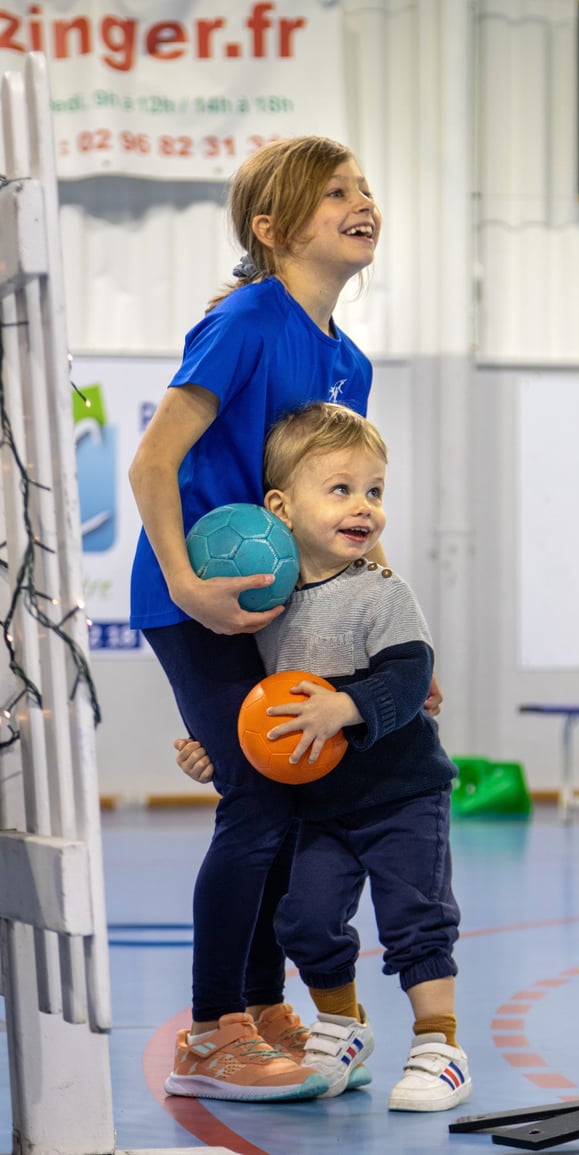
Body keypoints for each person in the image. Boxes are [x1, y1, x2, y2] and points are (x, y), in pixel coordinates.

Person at [129, 136, 387, 1103]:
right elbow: (152, 463)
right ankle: (209, 1034)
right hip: (192, 596)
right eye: (334, 194)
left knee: (292, 785)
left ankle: (261, 1004)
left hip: (280, 609)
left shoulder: (348, 362)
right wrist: (190, 582)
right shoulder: (243, 320)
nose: (361, 203)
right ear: (272, 229)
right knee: (260, 799)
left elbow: (334, 513)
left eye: (364, 190)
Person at [178, 402, 472, 1114]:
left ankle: (440, 1045)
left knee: (416, 920)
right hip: (322, 806)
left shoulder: (382, 592)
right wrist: (210, 747)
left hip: (402, 794)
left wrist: (347, 706)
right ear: (280, 506)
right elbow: (260, 707)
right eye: (340, 489)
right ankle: (343, 1028)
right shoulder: (267, 609)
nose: (363, 505)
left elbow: (408, 675)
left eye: (374, 490)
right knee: (304, 920)